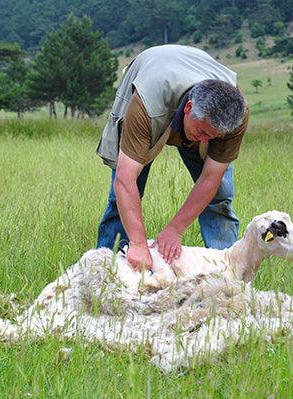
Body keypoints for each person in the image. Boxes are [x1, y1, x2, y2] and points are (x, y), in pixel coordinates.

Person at [96, 44, 249, 272]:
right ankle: (108, 269)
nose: (206, 141)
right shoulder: (145, 107)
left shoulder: (236, 115)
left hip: (188, 100)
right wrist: (139, 243)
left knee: (220, 198)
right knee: (123, 196)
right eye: (204, 132)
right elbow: (125, 179)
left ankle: (225, 270)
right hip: (155, 91)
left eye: (214, 137)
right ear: (189, 108)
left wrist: (175, 230)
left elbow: (211, 178)